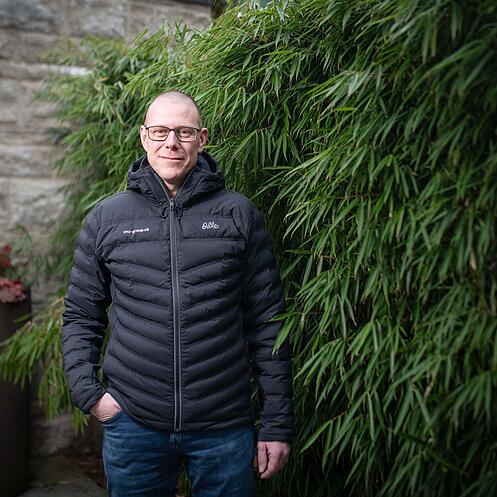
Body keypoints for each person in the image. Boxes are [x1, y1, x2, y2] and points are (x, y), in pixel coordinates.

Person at [61, 90, 293, 497]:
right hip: (133, 424)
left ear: (202, 139)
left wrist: (276, 423)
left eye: (184, 132)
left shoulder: (238, 214)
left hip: (224, 426)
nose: (171, 142)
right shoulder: (107, 218)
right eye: (160, 131)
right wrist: (91, 395)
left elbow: (268, 322)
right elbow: (81, 314)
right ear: (144, 137)